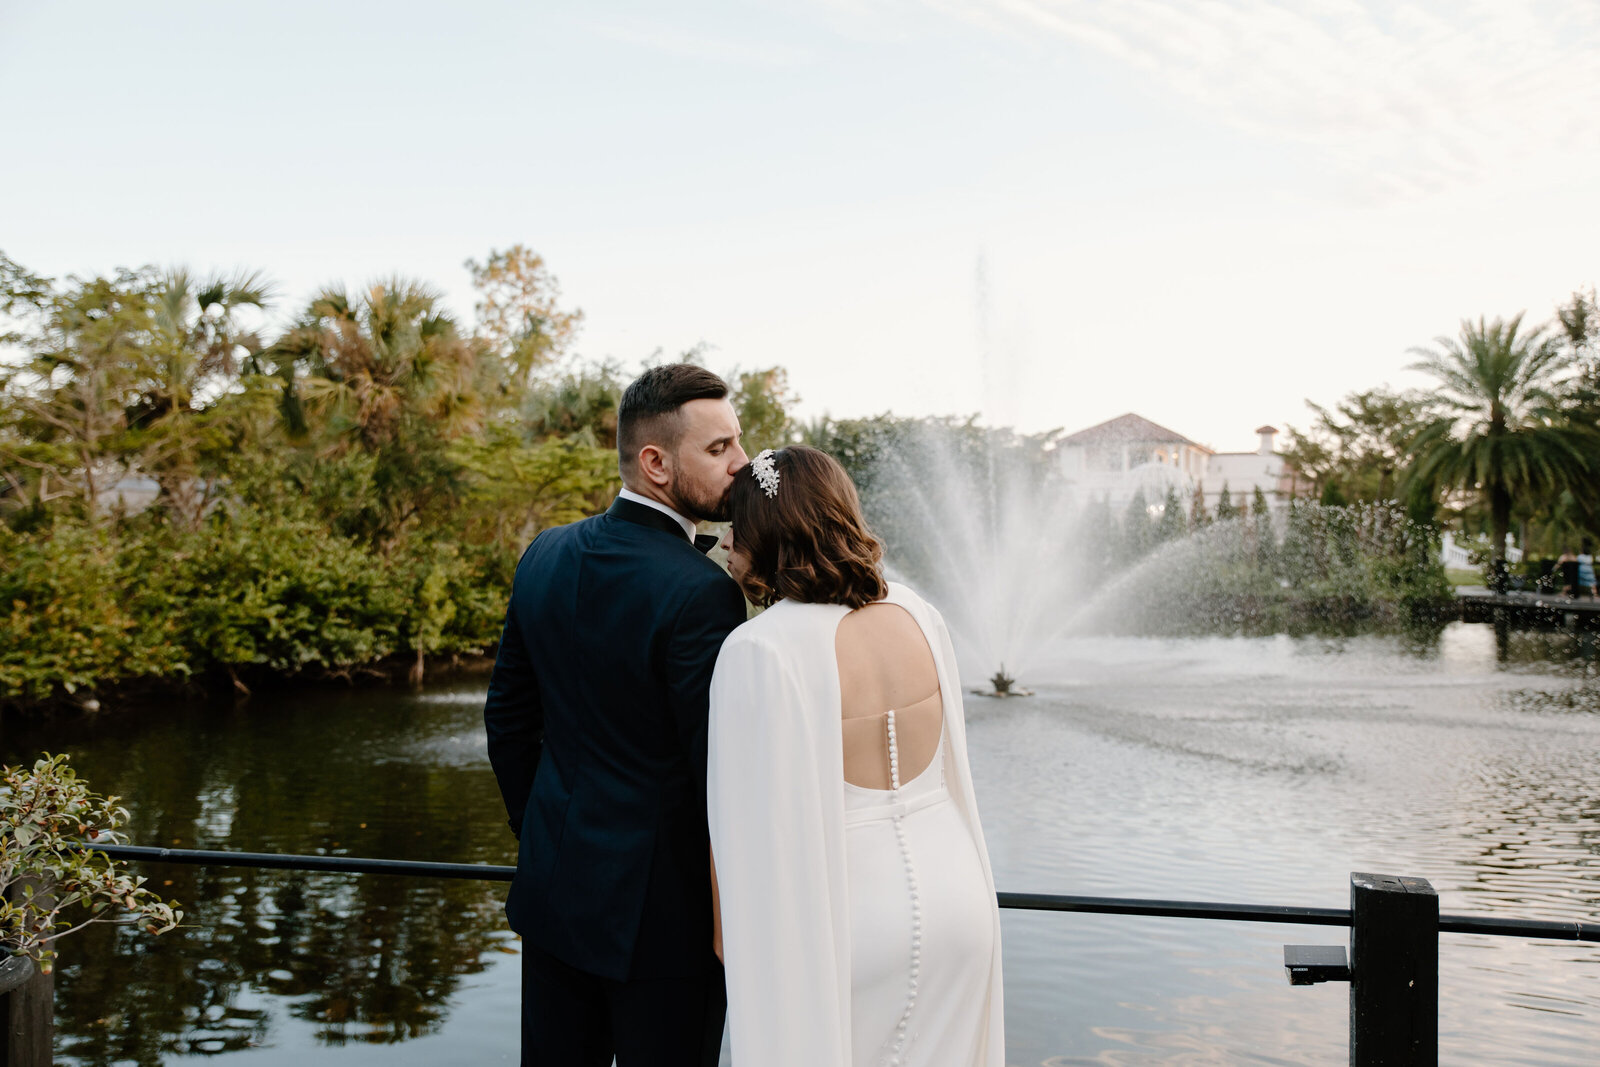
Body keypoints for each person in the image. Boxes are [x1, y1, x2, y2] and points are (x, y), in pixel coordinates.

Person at [484, 363, 749, 1066]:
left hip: (552, 901)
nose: (742, 464)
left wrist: (543, 834)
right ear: (656, 462)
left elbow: (507, 722)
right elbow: (715, 774)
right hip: (665, 929)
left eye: (738, 443)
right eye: (719, 448)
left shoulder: (544, 552)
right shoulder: (703, 593)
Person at [707, 445, 1004, 1067]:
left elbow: (739, 820)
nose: (727, 540)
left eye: (736, 523)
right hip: (959, 897)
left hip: (839, 913)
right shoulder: (920, 613)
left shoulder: (757, 647)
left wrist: (726, 927)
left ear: (764, 532)